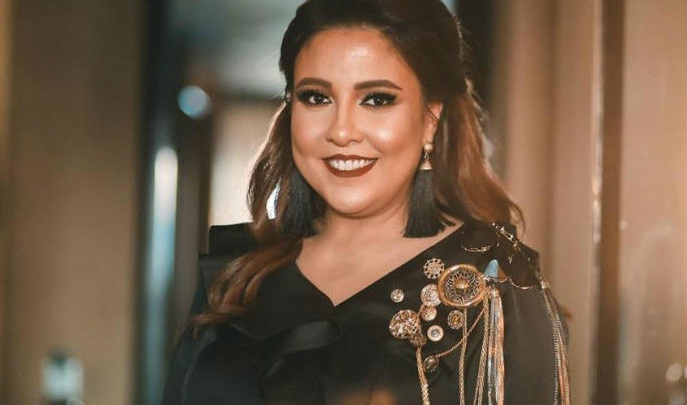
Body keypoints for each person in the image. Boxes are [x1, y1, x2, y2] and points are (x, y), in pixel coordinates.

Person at [162, 0, 571, 404]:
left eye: (376, 99)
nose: (341, 131)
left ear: (430, 118)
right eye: (316, 97)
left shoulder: (493, 284)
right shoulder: (238, 275)